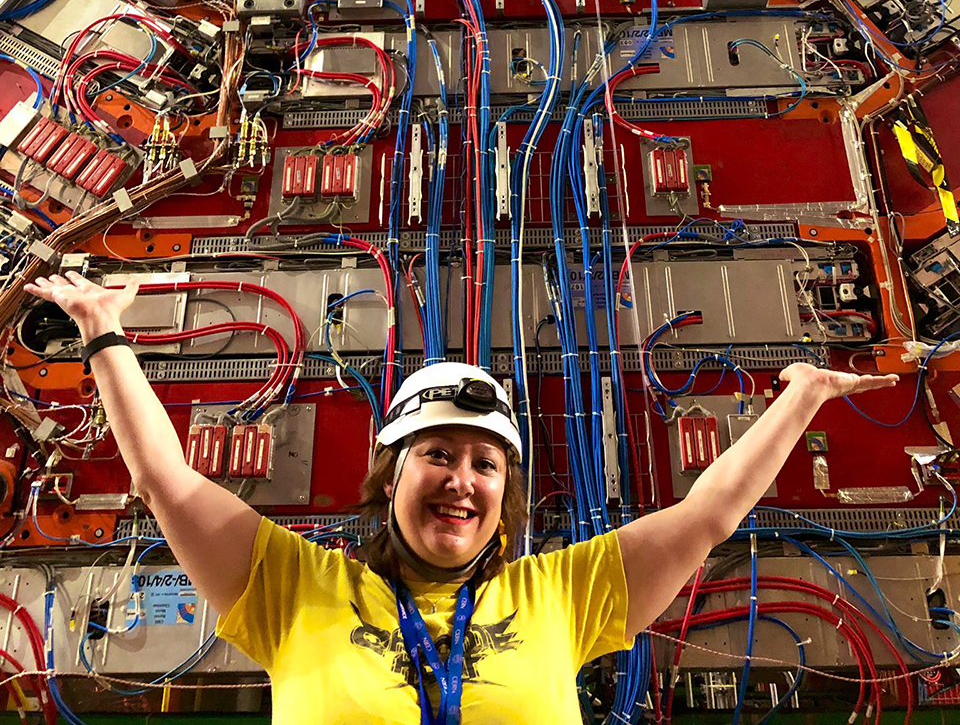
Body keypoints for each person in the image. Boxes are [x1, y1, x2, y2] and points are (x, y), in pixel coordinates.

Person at [24, 270, 899, 724]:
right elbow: (167, 481)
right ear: (391, 475)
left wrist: (802, 396)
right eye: (437, 455)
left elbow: (708, 515)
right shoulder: (295, 588)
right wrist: (103, 331)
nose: (461, 480)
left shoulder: (561, 595)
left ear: (505, 495)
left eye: (487, 465)